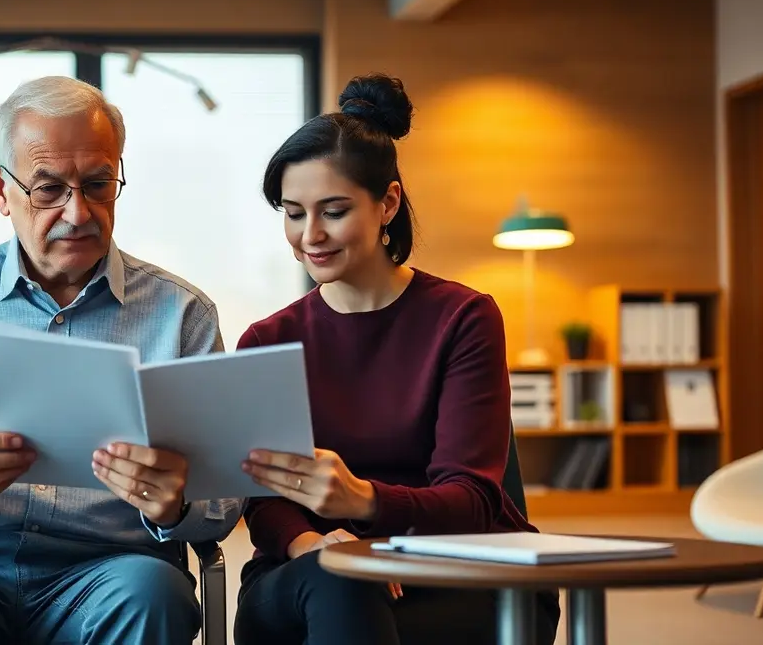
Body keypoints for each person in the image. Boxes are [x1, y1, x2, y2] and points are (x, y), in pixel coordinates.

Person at [0, 75, 243, 645]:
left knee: (154, 597)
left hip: (106, 568)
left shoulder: (183, 315)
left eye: (98, 183)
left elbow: (224, 501)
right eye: (48, 188)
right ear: (0, 190)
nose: (78, 213)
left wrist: (177, 503)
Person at [231, 73, 561, 645]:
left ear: (388, 203)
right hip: (309, 568)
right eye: (292, 212)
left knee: (351, 582)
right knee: (342, 580)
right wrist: (312, 542)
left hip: (459, 565)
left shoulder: (464, 318)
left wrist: (359, 499)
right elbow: (264, 495)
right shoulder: (266, 340)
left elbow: (473, 499)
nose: (309, 235)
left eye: (333, 211)